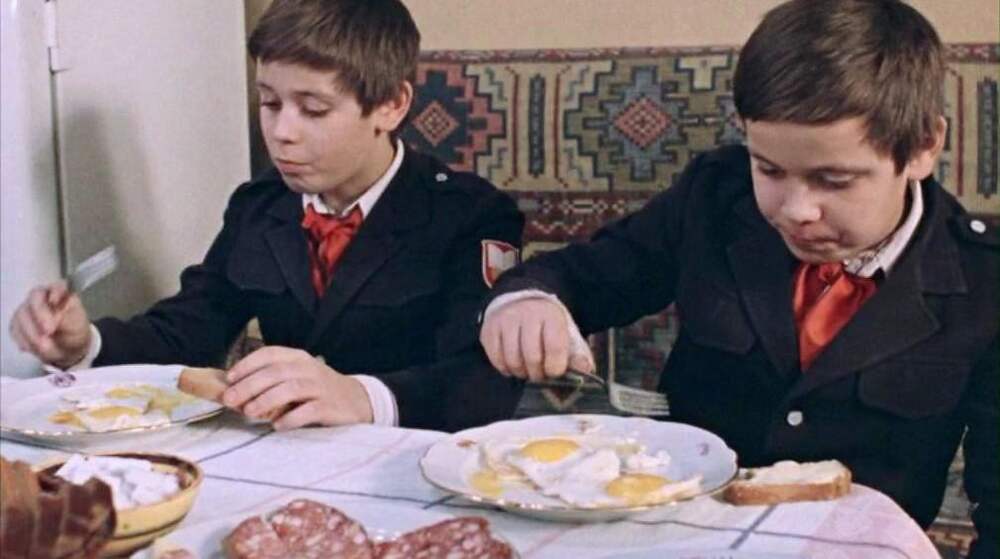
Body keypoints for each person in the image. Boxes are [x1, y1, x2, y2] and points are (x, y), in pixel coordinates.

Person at [479, 0, 997, 555]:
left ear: (923, 147)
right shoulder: (714, 195)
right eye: (769, 169)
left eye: (834, 180)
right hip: (673, 537)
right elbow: (582, 276)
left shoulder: (984, 281)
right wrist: (526, 300)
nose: (796, 211)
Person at [9, 0, 524, 433]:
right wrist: (85, 343)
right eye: (270, 103)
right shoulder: (259, 206)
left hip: (414, 466)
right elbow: (189, 329)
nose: (281, 133)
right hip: (286, 461)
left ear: (391, 105)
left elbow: (484, 383)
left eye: (313, 109)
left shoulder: (471, 215)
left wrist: (361, 397)